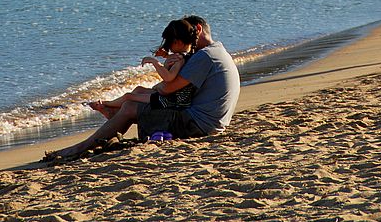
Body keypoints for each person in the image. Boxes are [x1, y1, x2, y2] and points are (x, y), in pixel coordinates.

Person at [49, 15, 240, 158]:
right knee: (138, 95)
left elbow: (167, 90)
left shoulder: (204, 56)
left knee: (131, 105)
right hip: (206, 120)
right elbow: (174, 89)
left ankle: (81, 147)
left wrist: (161, 67)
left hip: (197, 125)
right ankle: (115, 118)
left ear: (197, 29)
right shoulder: (215, 52)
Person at [87, 19, 198, 118]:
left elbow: (168, 78)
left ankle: (105, 104)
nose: (169, 49)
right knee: (139, 89)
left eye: (169, 44)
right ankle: (114, 112)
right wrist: (166, 57)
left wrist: (154, 62)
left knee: (128, 96)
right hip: (174, 98)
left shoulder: (180, 59)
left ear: (177, 42)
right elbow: (174, 68)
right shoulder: (188, 55)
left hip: (171, 101)